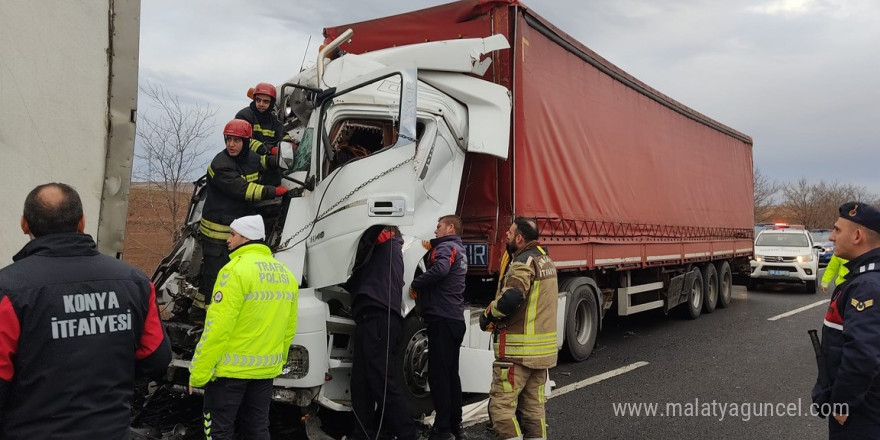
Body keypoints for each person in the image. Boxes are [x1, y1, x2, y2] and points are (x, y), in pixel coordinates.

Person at [0, 182, 171, 439]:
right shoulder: (135, 283)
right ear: (82, 223)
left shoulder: (9, 290)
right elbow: (156, 358)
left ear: (25, 224)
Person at [188, 214, 299, 440]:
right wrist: (276, 363)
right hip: (265, 372)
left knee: (218, 432)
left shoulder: (234, 271)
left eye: (233, 234)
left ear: (246, 238)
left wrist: (198, 374)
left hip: (229, 373)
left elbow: (217, 328)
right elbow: (289, 328)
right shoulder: (286, 274)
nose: (228, 239)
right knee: (257, 430)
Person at [190, 119, 288, 319]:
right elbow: (244, 190)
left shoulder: (248, 157)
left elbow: (259, 162)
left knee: (217, 275)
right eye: (228, 140)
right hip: (216, 231)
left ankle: (198, 311)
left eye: (236, 140)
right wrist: (274, 191)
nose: (231, 145)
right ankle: (210, 316)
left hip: (232, 228)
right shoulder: (221, 164)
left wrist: (274, 160)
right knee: (216, 275)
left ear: (246, 141)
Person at [480, 217, 558, 440]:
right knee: (534, 412)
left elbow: (511, 298)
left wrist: (488, 314)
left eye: (510, 232)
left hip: (517, 353)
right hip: (541, 355)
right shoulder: (545, 261)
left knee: (501, 410)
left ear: (520, 238)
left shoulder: (523, 262)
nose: (506, 235)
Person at [812, 202, 880, 439]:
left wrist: (842, 403)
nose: (831, 237)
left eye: (838, 230)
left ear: (858, 236)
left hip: (864, 413)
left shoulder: (867, 286)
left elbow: (863, 353)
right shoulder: (865, 277)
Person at [345, 225, 418, 440]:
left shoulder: (385, 239)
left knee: (380, 383)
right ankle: (362, 434)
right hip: (373, 318)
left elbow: (369, 234)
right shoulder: (390, 252)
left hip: (378, 318)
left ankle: (407, 434)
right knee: (361, 383)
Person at [410, 215, 468, 440]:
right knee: (451, 375)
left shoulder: (446, 248)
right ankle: (455, 425)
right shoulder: (460, 250)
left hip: (441, 319)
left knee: (438, 377)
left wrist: (417, 283)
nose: (435, 231)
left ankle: (442, 429)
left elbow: (441, 269)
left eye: (438, 226)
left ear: (450, 227)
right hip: (455, 320)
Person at [236, 82, 292, 186]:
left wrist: (289, 145)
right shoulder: (244, 115)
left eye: (265, 101)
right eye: (258, 100)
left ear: (271, 103)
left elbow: (283, 135)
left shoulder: (274, 120)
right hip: (247, 164)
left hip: (268, 165)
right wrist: (270, 149)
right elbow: (243, 142)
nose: (261, 104)